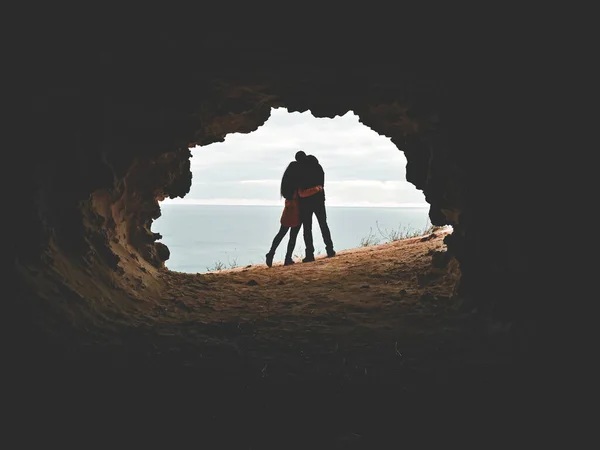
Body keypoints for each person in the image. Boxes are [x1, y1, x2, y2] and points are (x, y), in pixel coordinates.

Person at [265, 161, 323, 267]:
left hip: (288, 210)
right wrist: (317, 189)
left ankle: (271, 253)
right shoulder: (297, 182)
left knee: (281, 233)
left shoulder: (286, 182)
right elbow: (302, 193)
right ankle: (287, 258)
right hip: (296, 211)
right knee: (293, 236)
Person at [295, 150, 336, 262]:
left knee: (307, 228)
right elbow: (321, 184)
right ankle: (330, 249)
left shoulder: (301, 170)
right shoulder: (318, 167)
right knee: (323, 224)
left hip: (306, 202)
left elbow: (299, 186)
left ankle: (310, 254)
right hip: (319, 200)